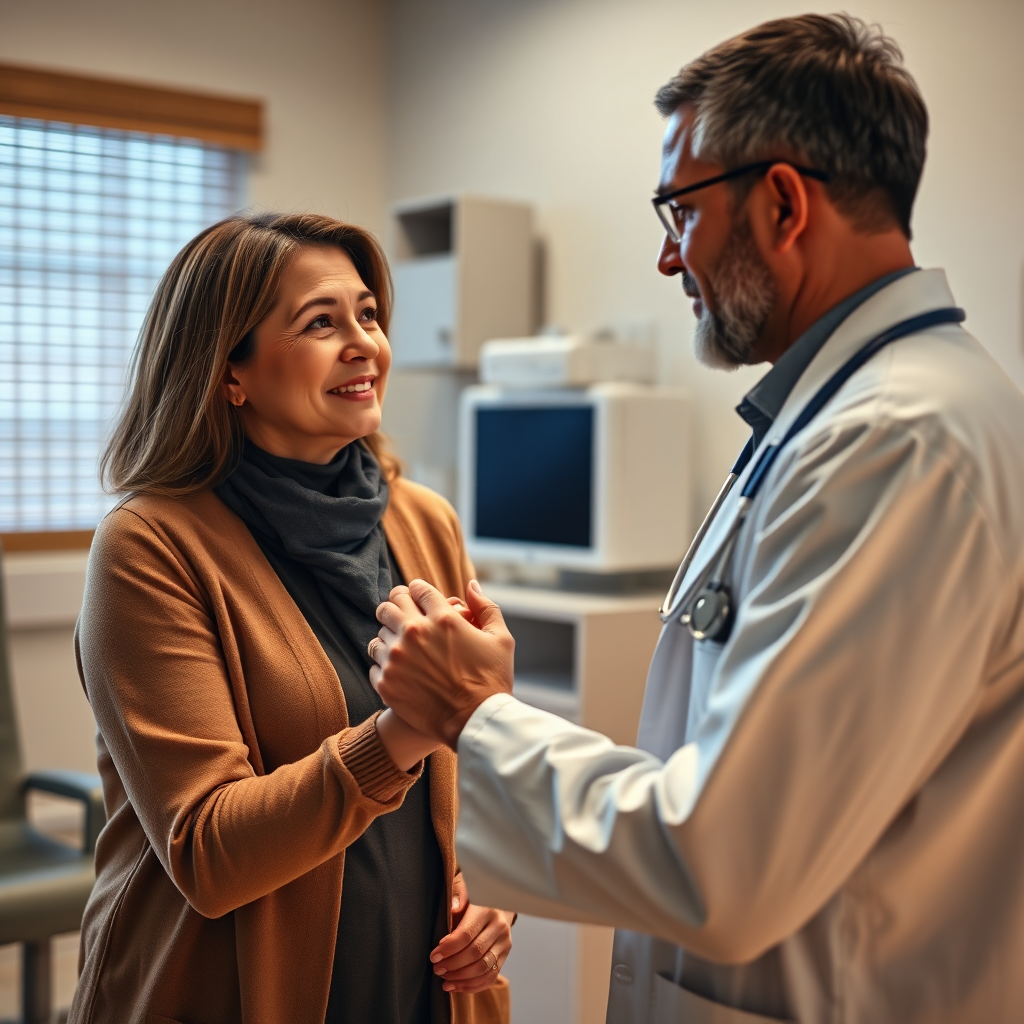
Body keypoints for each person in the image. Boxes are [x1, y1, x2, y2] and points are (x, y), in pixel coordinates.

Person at [368, 15, 1024, 1024]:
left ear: (781, 203)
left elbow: (723, 858)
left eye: (678, 211)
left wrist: (477, 714)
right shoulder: (844, 417)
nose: (671, 260)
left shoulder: (892, 441)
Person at [72, 213, 512, 1024]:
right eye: (321, 322)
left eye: (368, 315)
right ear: (228, 369)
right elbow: (207, 853)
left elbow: (472, 772)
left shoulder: (424, 520)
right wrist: (407, 729)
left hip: (418, 989)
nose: (364, 345)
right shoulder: (150, 546)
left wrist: (498, 885)